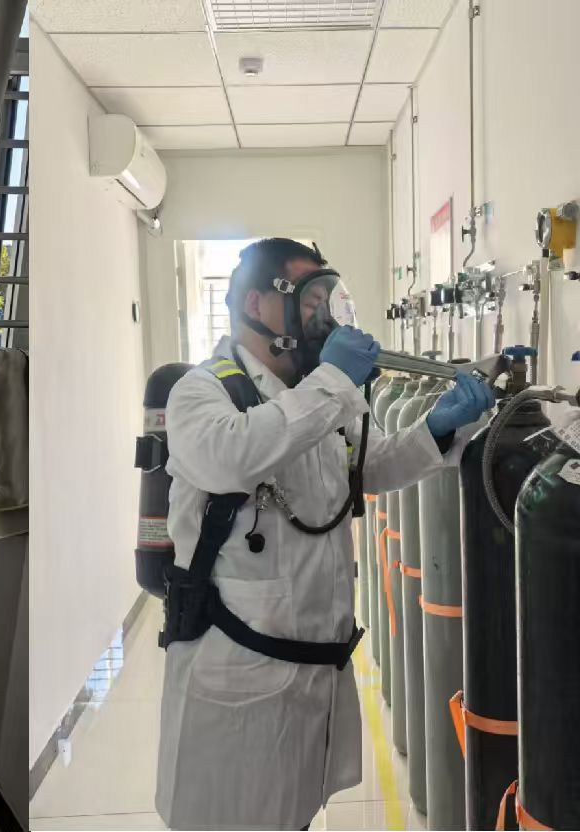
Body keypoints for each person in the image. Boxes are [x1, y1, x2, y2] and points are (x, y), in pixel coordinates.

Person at [155, 238, 494, 831]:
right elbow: (233, 457)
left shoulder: (314, 395)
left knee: (292, 812)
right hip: (237, 672)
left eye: (326, 300)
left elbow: (365, 469)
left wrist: (436, 429)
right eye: (310, 301)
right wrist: (336, 380)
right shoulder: (202, 391)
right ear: (257, 304)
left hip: (312, 670)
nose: (323, 316)